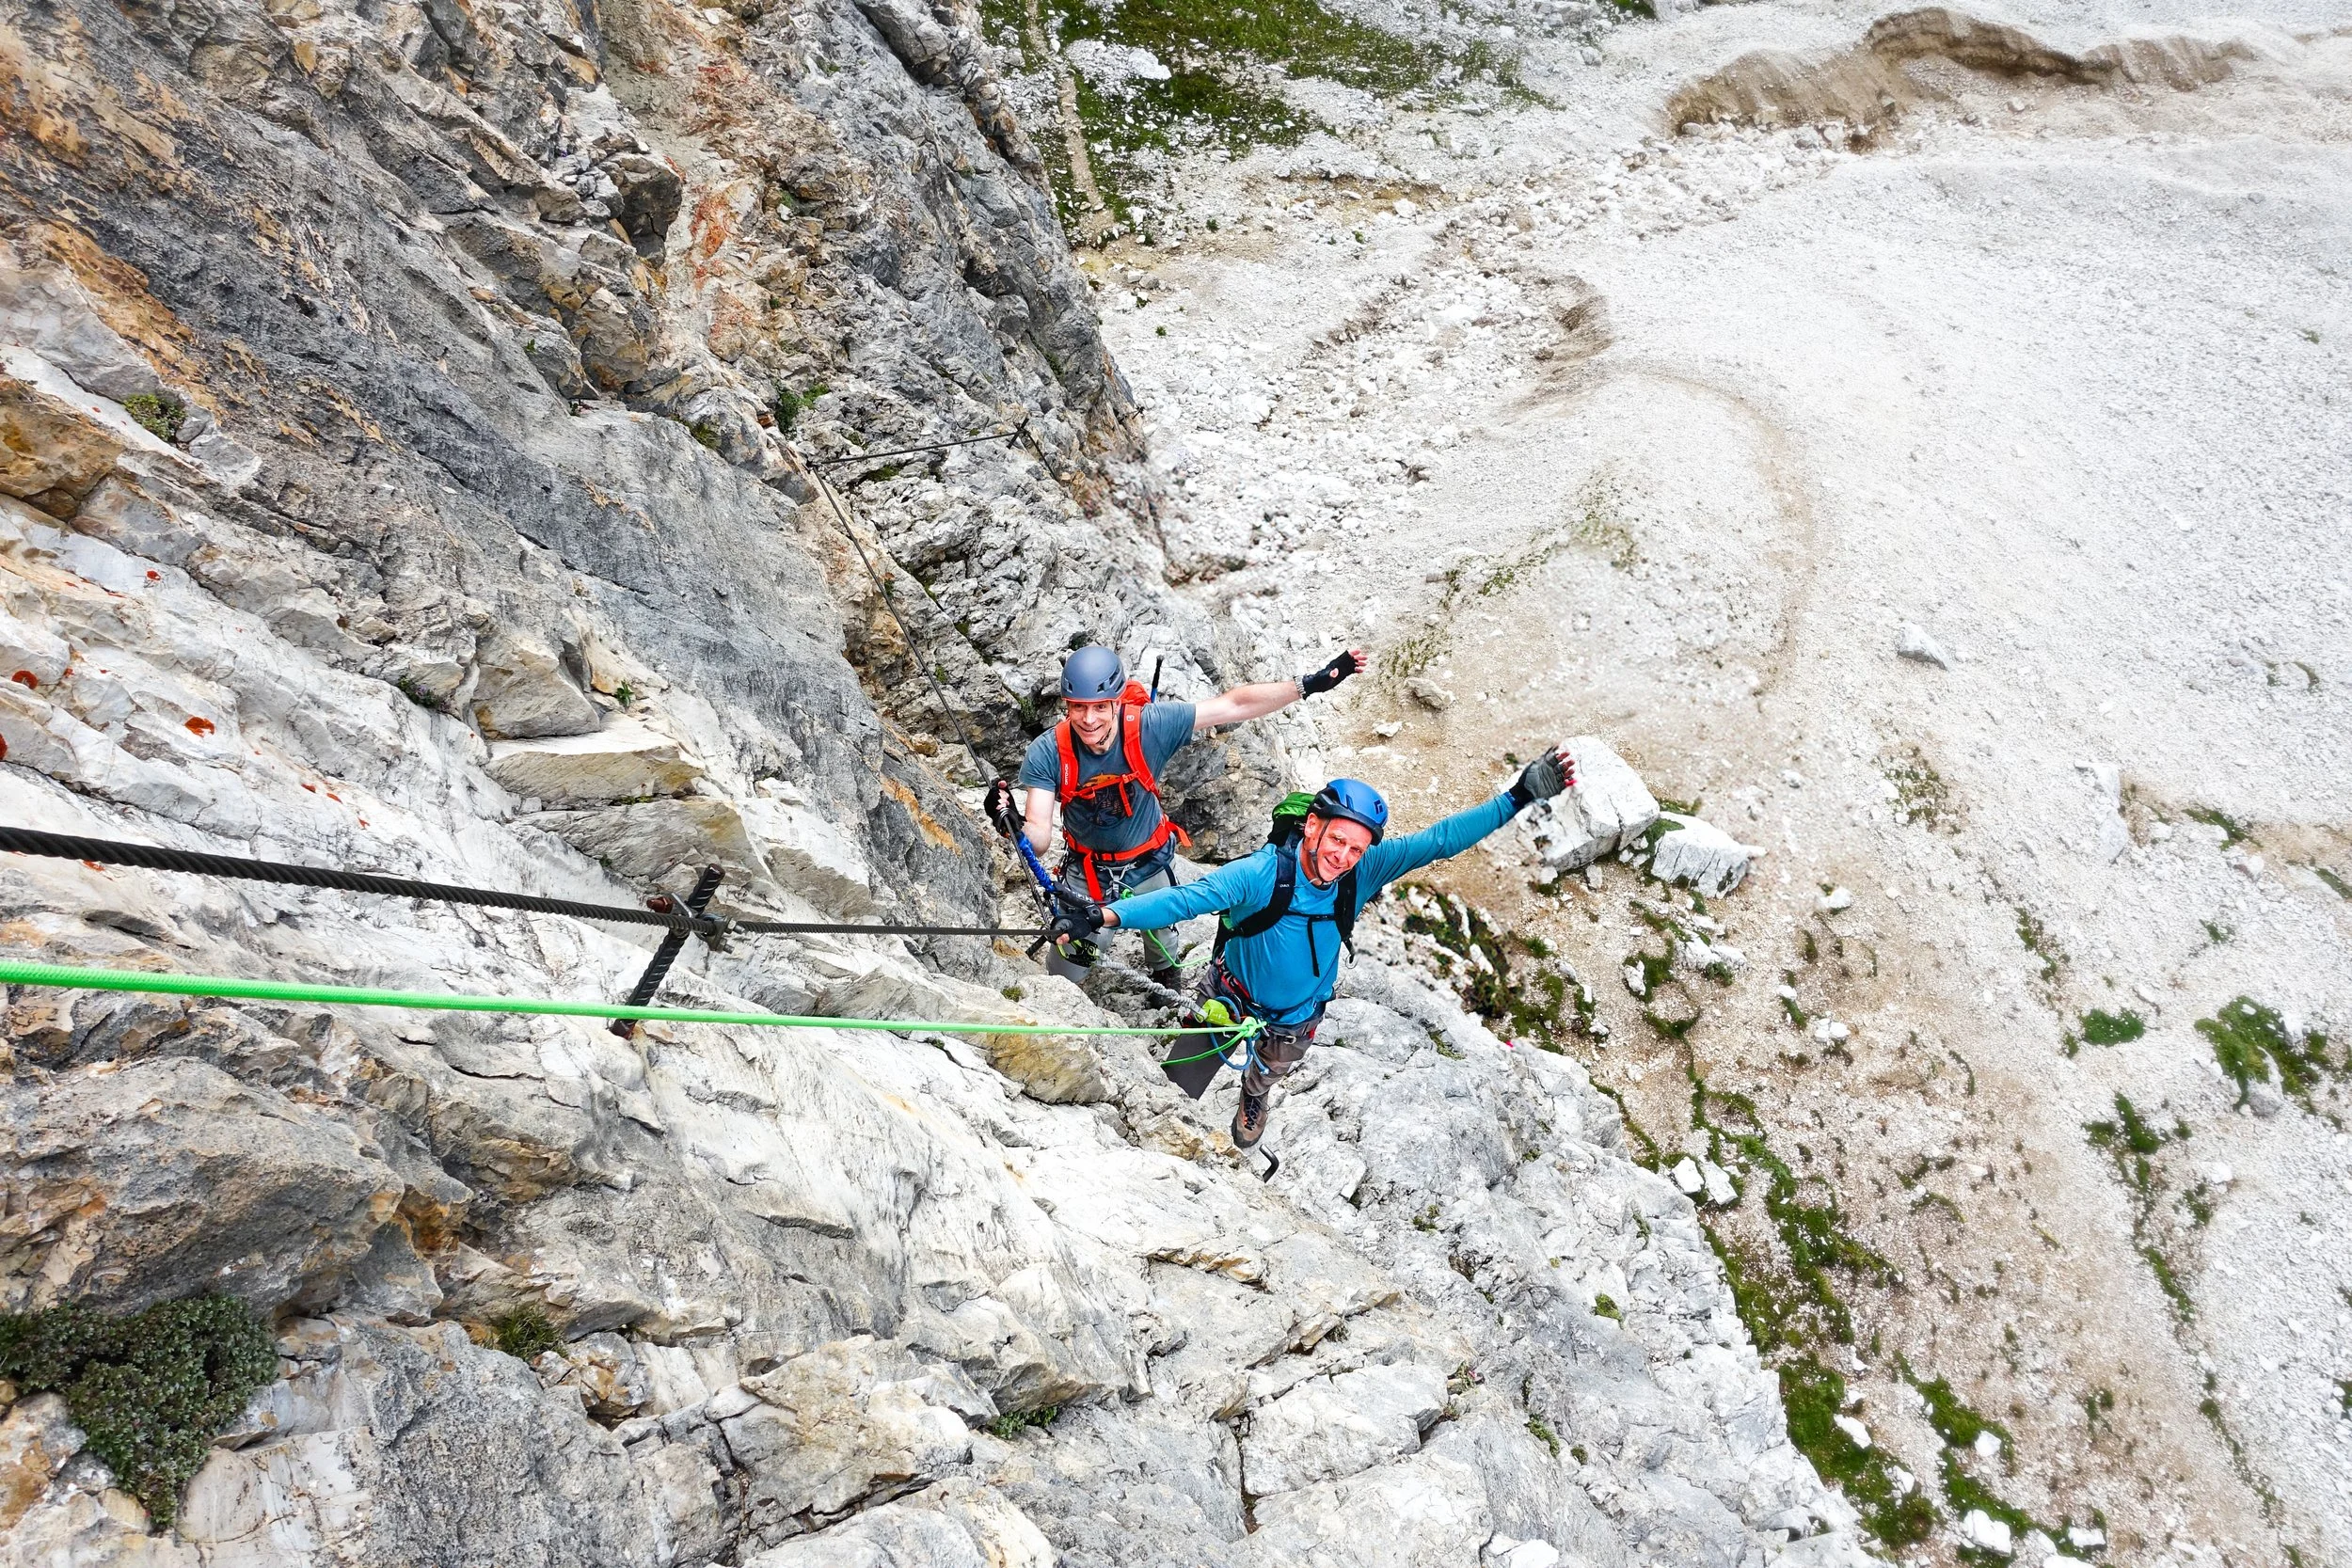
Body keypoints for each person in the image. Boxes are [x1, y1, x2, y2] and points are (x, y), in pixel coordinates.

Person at [1054, 749, 1576, 1149]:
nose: (1343, 858)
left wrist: (1518, 797)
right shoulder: (1263, 873)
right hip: (1228, 999)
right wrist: (1105, 915)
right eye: (1335, 842)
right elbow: (1187, 899)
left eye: (1356, 848)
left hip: (1297, 1015)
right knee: (1173, 1094)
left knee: (1268, 1073)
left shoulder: (1364, 872)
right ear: (1311, 826)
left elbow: (1440, 840)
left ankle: (1254, 1096)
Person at [1000, 643, 1365, 988]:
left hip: (1149, 861)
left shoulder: (1150, 726)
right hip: (1089, 870)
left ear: (1116, 702)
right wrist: (1011, 825)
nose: (1088, 719)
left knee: (1162, 940)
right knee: (1064, 973)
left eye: (1099, 707)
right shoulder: (1049, 751)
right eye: (1078, 707)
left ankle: (1163, 978)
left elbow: (1233, 705)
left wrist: (1310, 684)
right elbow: (1041, 837)